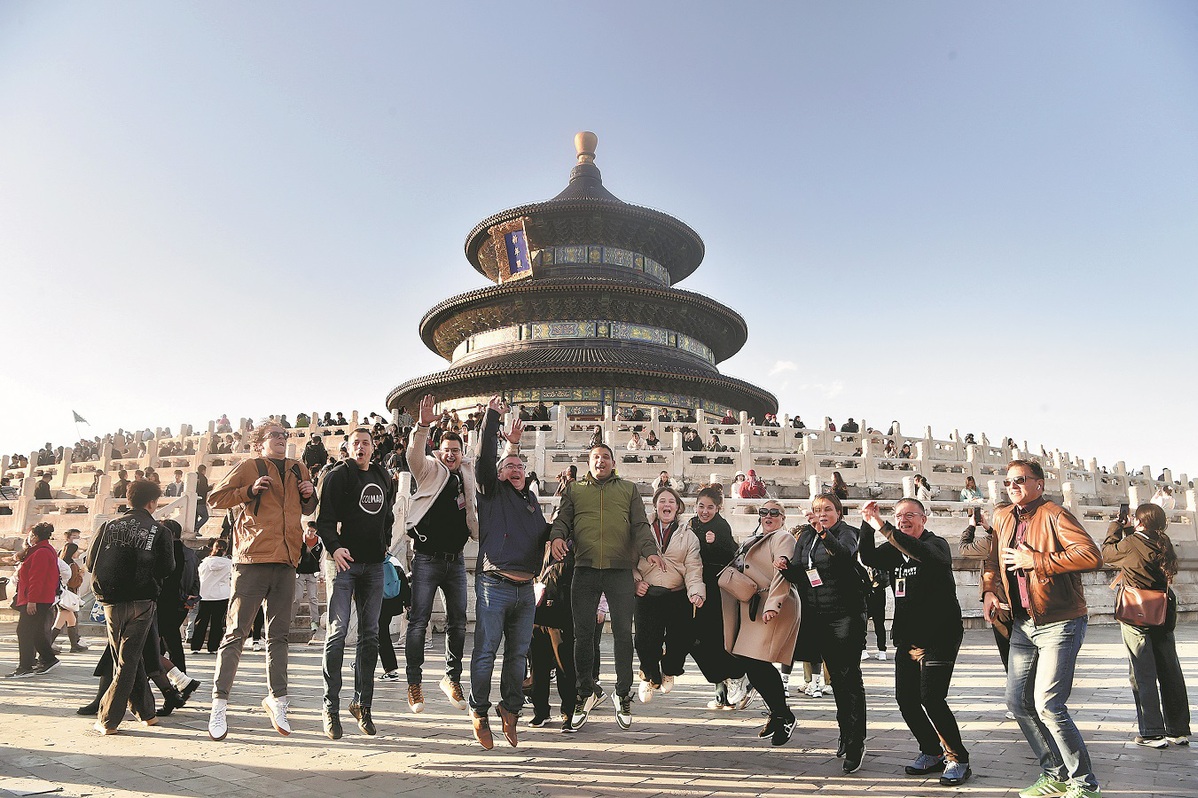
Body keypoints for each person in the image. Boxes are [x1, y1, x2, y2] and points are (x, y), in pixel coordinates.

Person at [981, 460, 1103, 798]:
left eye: (1020, 480)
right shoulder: (1003, 516)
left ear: (1039, 483)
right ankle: (1055, 774)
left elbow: (1091, 555)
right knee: (1018, 702)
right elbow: (992, 559)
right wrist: (989, 590)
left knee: (1049, 705)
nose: (1013, 486)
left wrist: (1036, 561)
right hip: (1022, 622)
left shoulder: (1054, 514)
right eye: (1008, 482)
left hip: (1060, 620)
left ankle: (1085, 783)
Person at [206, 420, 318, 741]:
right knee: (236, 633)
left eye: (284, 435)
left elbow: (307, 508)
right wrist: (249, 490)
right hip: (252, 559)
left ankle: (278, 699)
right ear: (259, 443)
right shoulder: (249, 467)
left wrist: (310, 495)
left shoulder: (299, 468)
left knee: (279, 636)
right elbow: (215, 498)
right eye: (275, 435)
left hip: (287, 560)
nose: (282, 439)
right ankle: (219, 703)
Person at [550, 443, 665, 732]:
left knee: (624, 634)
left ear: (613, 463)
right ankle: (584, 692)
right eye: (595, 457)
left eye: (605, 457)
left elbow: (640, 525)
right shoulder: (575, 490)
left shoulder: (628, 489)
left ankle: (622, 693)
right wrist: (557, 538)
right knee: (583, 635)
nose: (600, 461)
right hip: (585, 569)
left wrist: (650, 550)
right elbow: (562, 520)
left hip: (619, 570)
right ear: (588, 463)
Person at [861, 499, 971, 786]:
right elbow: (868, 557)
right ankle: (931, 751)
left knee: (932, 698)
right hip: (909, 637)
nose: (903, 520)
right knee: (906, 700)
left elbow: (919, 551)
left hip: (940, 634)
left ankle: (958, 758)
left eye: (910, 515)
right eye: (899, 516)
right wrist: (867, 523)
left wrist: (883, 526)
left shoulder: (937, 545)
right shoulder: (893, 548)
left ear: (924, 518)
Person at [467, 398, 544, 749]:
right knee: (486, 653)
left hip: (525, 590)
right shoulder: (490, 492)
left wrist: (561, 537)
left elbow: (544, 534)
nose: (515, 469)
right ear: (498, 474)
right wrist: (492, 418)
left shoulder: (531, 502)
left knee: (517, 656)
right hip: (494, 584)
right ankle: (479, 711)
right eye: (509, 466)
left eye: (519, 466)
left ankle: (510, 710)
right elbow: (483, 459)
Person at [316, 427, 397, 739]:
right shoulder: (338, 476)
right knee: (337, 634)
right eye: (356, 443)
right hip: (344, 565)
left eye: (366, 443)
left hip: (374, 565)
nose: (361, 448)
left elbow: (388, 515)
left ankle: (363, 704)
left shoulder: (382, 476)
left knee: (370, 636)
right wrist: (335, 548)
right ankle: (330, 707)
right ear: (348, 448)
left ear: (373, 448)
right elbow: (324, 520)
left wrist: (384, 544)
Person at [782, 493, 868, 773]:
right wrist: (785, 569)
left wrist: (823, 532)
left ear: (838, 513)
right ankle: (846, 731)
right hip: (817, 615)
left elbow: (843, 556)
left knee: (849, 677)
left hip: (846, 614)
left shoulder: (847, 533)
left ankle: (856, 742)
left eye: (827, 509)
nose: (821, 514)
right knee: (837, 681)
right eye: (817, 509)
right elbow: (801, 572)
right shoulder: (806, 537)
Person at [404, 394, 478, 715]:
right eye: (447, 450)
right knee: (418, 622)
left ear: (462, 453)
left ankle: (452, 677)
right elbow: (412, 456)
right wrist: (422, 426)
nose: (451, 454)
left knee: (458, 622)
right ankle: (414, 683)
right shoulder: (429, 470)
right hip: (426, 558)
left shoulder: (467, 475)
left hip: (455, 559)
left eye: (456, 450)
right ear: (439, 452)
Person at [86, 481, 175, 733]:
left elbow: (90, 562)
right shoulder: (160, 531)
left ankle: (144, 712)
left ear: (128, 499)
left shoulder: (108, 527)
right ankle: (110, 719)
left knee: (124, 657)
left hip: (111, 600)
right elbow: (167, 567)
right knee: (128, 659)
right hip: (142, 600)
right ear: (152, 502)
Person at [1101, 503, 1190, 748]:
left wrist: (1116, 526)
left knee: (1142, 672)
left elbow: (1107, 554)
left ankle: (1152, 732)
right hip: (1163, 611)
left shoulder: (1131, 543)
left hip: (1136, 612)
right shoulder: (1164, 542)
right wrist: (1132, 530)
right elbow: (1140, 548)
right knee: (1170, 670)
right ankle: (1178, 730)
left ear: (1139, 522)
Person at [721, 500, 800, 746]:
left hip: (774, 604)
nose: (768, 515)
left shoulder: (783, 537)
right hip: (754, 606)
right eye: (764, 512)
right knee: (751, 661)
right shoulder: (754, 539)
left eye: (774, 512)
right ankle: (778, 714)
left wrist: (773, 604)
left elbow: (783, 571)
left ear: (783, 518)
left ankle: (783, 715)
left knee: (756, 661)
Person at [634, 486, 704, 704]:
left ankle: (670, 669)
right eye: (662, 501)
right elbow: (629, 561)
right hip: (648, 593)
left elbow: (693, 568)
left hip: (677, 595)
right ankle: (648, 676)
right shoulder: (641, 530)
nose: (667, 505)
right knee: (645, 641)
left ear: (678, 507)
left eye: (671, 502)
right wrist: (636, 582)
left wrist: (696, 592)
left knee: (681, 640)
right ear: (655, 505)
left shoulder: (689, 536)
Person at [686, 486, 750, 710]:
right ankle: (721, 686)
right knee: (697, 639)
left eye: (710, 507)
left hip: (717, 592)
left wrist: (715, 543)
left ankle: (735, 678)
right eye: (701, 506)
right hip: (696, 588)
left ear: (718, 508)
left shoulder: (721, 526)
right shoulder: (691, 524)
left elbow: (730, 554)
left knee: (715, 638)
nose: (705, 511)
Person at [6, 523, 61, 678]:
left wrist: (32, 600)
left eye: (31, 535)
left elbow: (37, 578)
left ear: (35, 536)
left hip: (37, 599)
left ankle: (25, 666)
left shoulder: (41, 552)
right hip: (39, 598)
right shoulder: (41, 550)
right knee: (35, 630)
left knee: (24, 630)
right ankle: (48, 659)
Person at [191, 540, 233, 654]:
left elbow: (200, 576)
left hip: (205, 594)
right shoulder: (229, 563)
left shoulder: (205, 562)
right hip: (222, 595)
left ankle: (196, 646)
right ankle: (213, 647)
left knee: (201, 621)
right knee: (217, 622)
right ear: (225, 550)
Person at [50, 541, 88, 653]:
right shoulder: (71, 565)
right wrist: (80, 576)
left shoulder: (61, 562)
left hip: (62, 594)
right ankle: (48, 644)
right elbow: (73, 583)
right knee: (59, 622)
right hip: (67, 596)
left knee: (72, 621)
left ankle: (74, 645)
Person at [294, 521, 323, 635]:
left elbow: (321, 559)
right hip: (300, 572)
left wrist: (321, 574)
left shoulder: (319, 542)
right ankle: (290, 619)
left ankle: (314, 622)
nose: (310, 533)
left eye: (313, 531)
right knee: (297, 598)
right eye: (309, 531)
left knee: (313, 598)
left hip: (312, 573)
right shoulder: (299, 540)